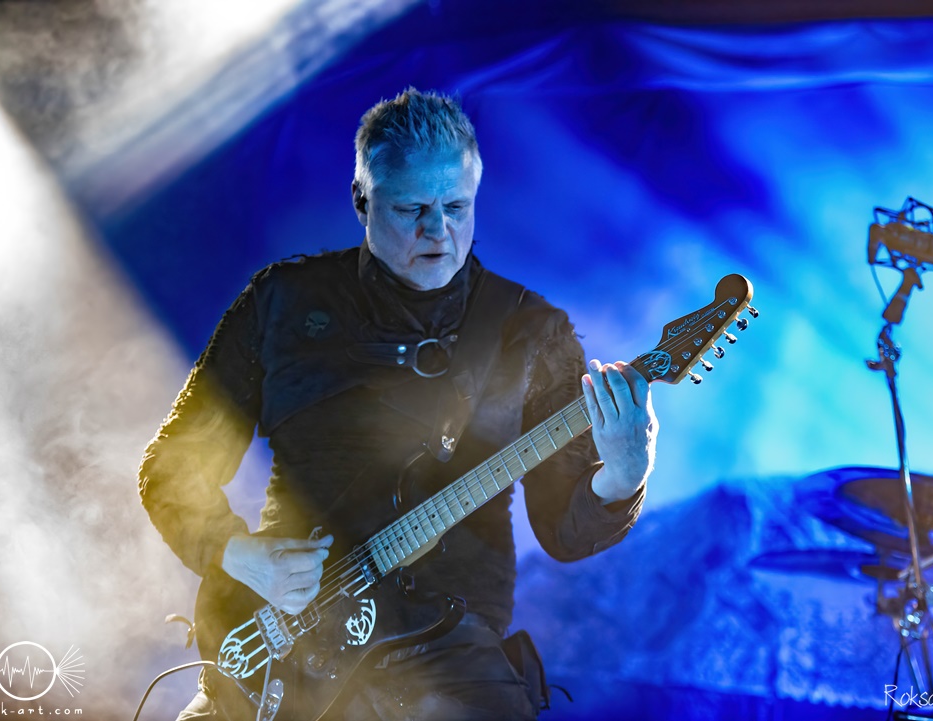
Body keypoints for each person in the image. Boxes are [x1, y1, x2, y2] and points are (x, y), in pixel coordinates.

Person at [139, 88, 659, 721]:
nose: (437, 231)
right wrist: (238, 553)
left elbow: (565, 533)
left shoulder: (530, 332)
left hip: (449, 658)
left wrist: (623, 475)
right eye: (412, 209)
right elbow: (171, 467)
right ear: (362, 200)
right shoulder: (281, 303)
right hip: (281, 642)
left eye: (456, 207)